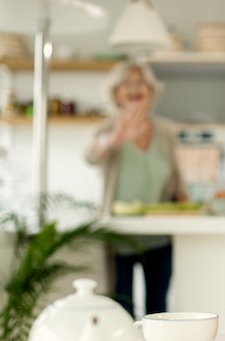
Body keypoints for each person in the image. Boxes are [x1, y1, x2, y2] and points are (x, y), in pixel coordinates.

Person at [85, 61, 188, 317]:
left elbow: (175, 174)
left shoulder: (165, 130)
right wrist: (115, 139)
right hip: (120, 234)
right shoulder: (107, 129)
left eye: (140, 81)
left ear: (152, 91)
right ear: (115, 93)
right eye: (126, 83)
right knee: (121, 309)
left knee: (159, 309)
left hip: (159, 234)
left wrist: (186, 201)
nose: (133, 88)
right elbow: (90, 155)